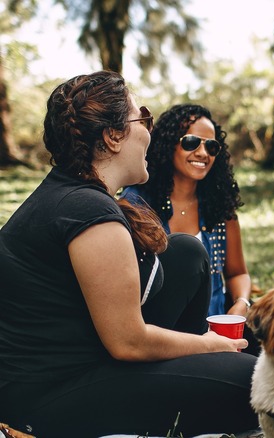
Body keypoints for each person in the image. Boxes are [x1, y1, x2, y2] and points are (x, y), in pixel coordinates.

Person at [0, 72, 258, 437]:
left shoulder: (75, 193)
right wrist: (208, 345)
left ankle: (198, 377)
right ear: (113, 136)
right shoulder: (88, 212)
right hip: (48, 396)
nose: (149, 133)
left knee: (186, 251)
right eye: (144, 119)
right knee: (255, 379)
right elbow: (128, 342)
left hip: (87, 356)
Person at [122, 104, 252, 319]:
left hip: (217, 331)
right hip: (160, 332)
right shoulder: (137, 203)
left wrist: (241, 303)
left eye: (211, 146)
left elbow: (238, 273)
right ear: (168, 145)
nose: (202, 153)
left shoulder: (219, 205)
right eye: (191, 142)